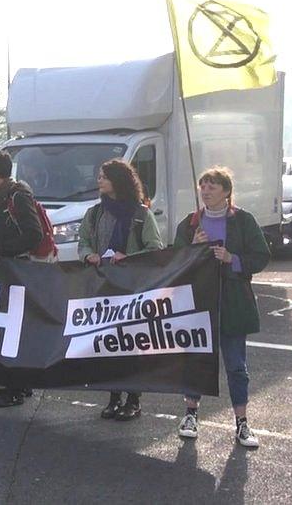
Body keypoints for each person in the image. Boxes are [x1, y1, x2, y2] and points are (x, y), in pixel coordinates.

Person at [174, 167, 270, 448]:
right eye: (202, 186)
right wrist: (192, 246)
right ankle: (190, 414)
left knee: (236, 365)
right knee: (195, 359)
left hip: (232, 301)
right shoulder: (191, 223)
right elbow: (175, 261)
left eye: (212, 187)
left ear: (226, 192)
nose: (205, 191)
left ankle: (242, 423)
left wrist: (232, 258)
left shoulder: (243, 221)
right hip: (198, 302)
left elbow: (261, 256)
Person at [78, 159, 164, 421]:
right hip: (103, 288)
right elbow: (83, 242)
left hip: (132, 291)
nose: (99, 181)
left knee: (131, 345)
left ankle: (133, 399)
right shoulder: (94, 214)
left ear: (118, 181)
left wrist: (127, 256)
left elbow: (155, 249)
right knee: (108, 344)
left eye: (104, 176)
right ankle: (114, 397)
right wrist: (88, 255)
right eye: (99, 176)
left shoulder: (141, 214)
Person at [0, 151, 43, 408]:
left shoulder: (16, 195)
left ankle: (13, 387)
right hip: (7, 271)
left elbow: (34, 235)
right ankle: (18, 383)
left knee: (11, 330)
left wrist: (1, 250)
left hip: (17, 270)